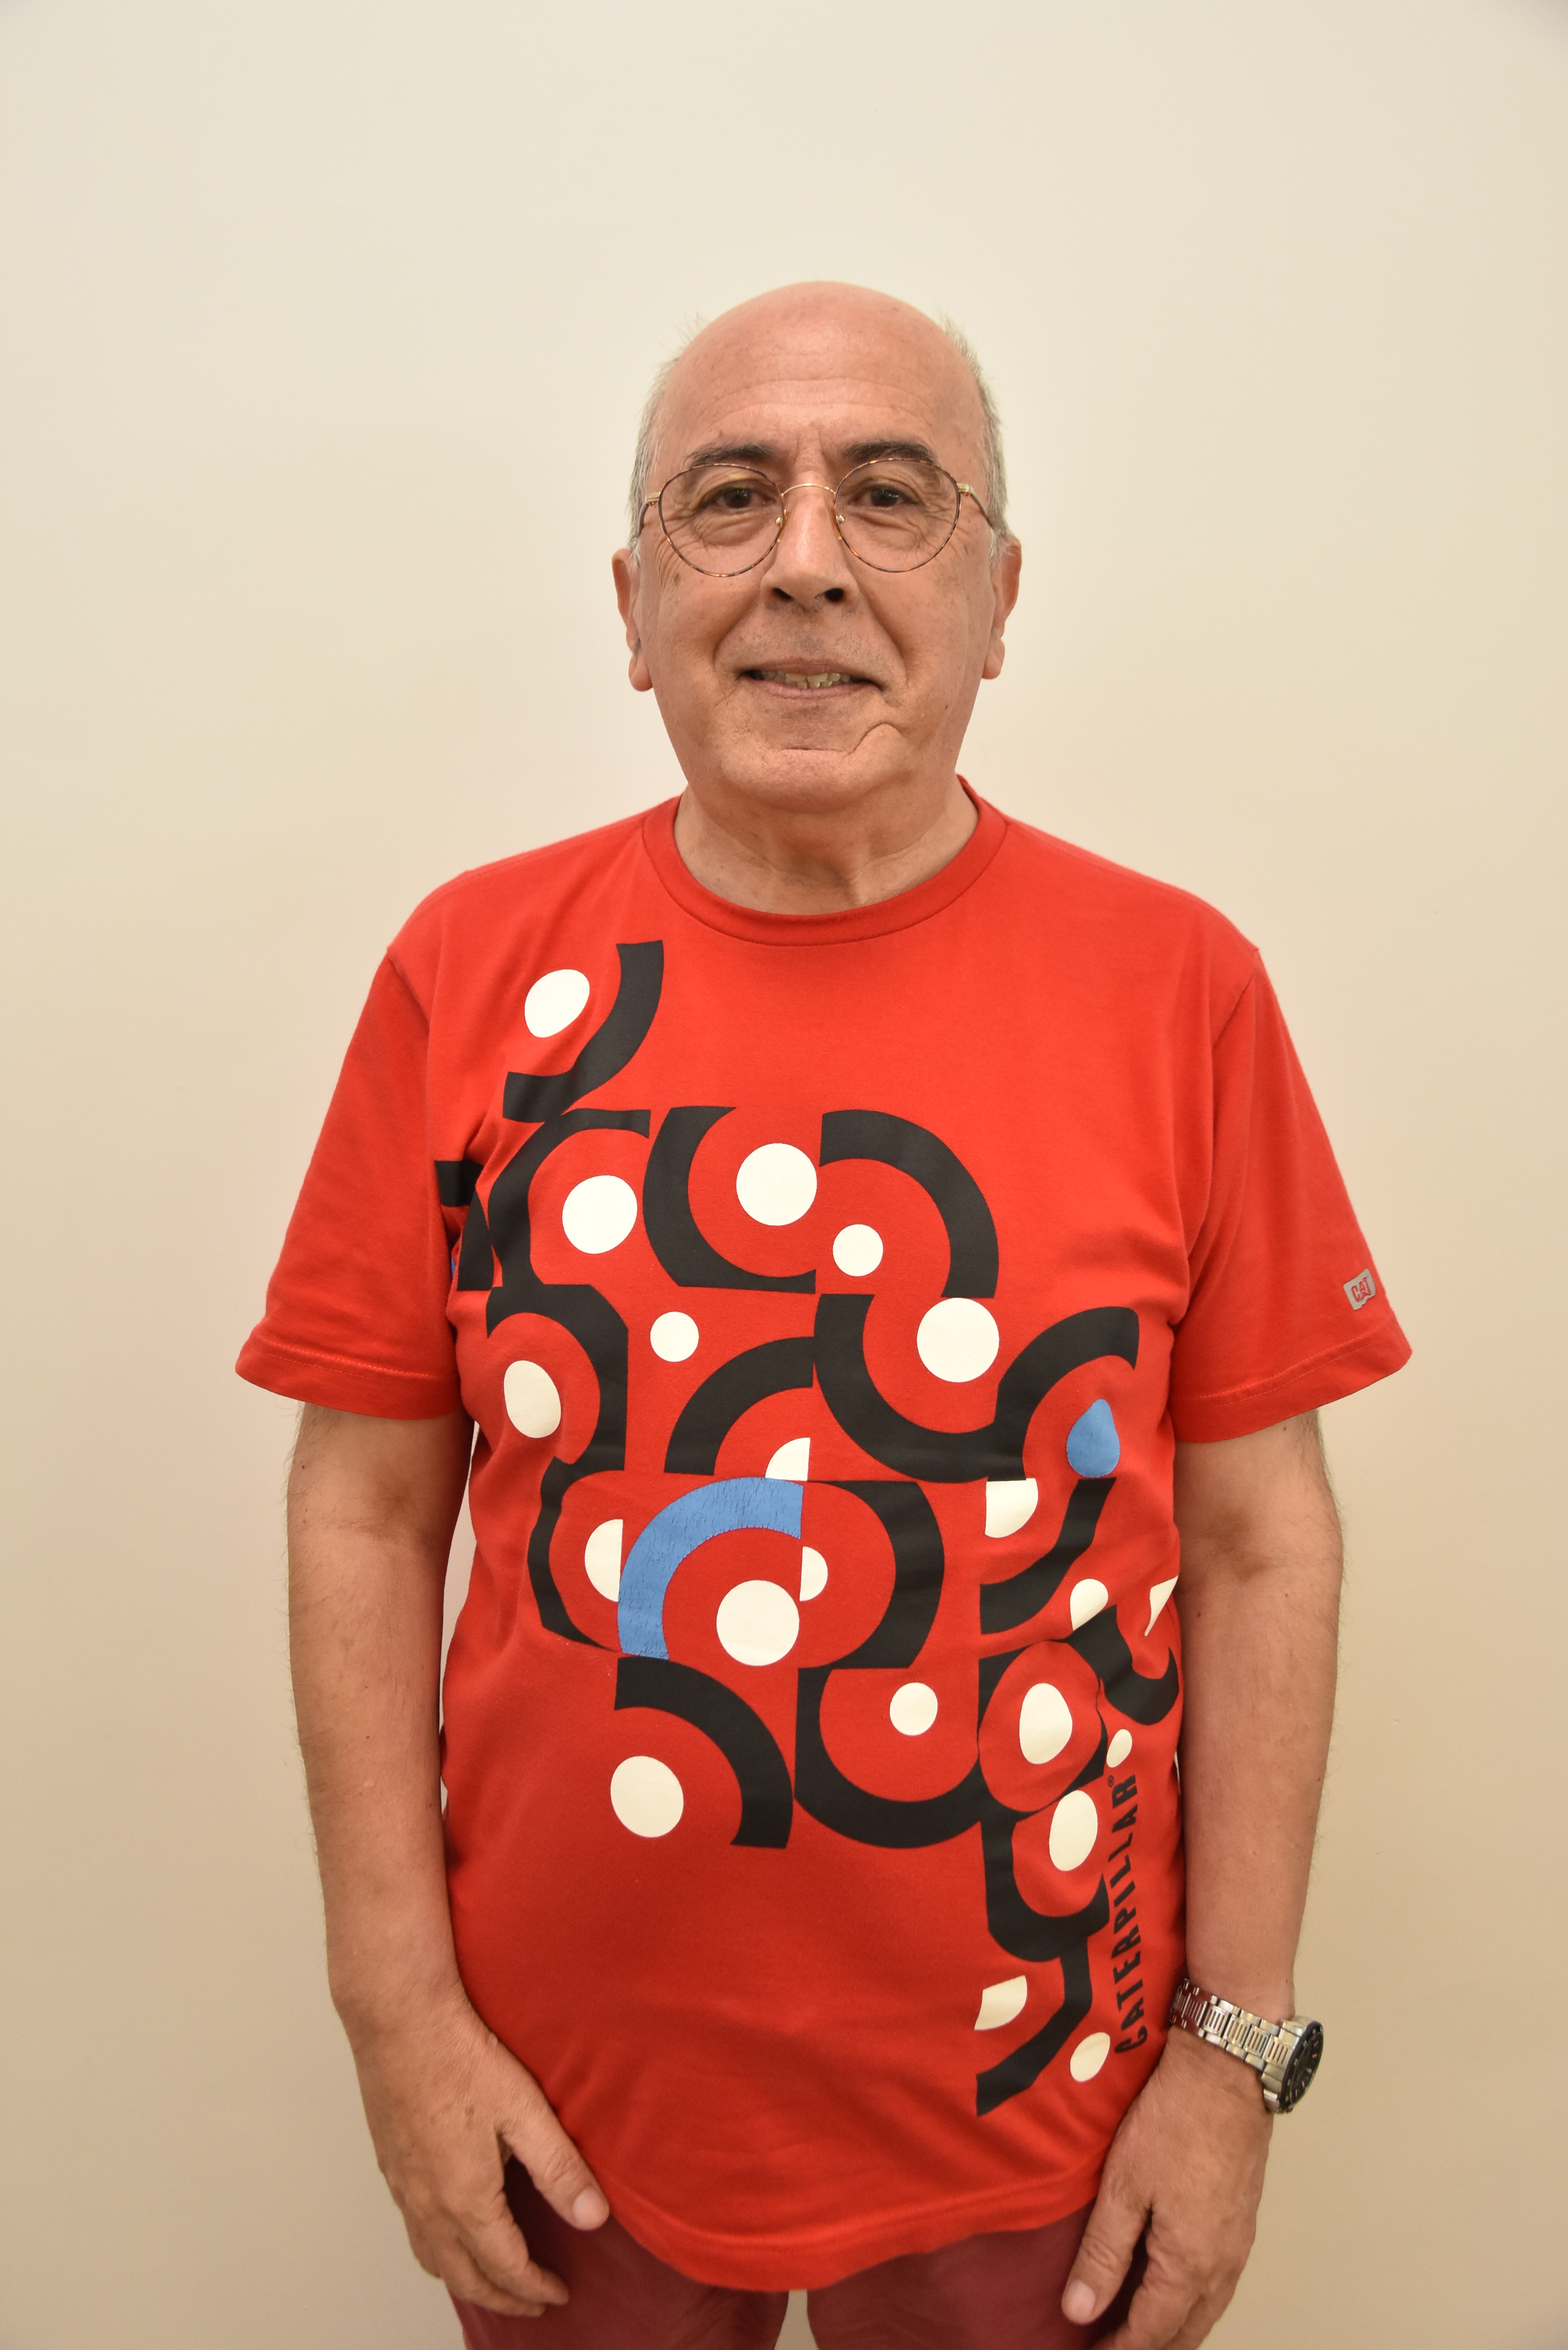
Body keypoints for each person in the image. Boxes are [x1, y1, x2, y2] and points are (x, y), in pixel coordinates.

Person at [238, 281, 1409, 2349]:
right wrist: (395, 2009)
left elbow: (1259, 1540)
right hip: (562, 2110)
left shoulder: (1184, 993)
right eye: (728, 497)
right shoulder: (462, 972)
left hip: (1050, 2099)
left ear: (998, 594)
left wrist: (1233, 2054)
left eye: (890, 493)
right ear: (632, 606)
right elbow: (363, 1504)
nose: (804, 561)